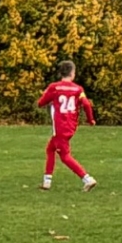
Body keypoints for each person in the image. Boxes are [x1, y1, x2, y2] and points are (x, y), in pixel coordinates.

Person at [36, 60, 97, 191]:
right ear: (72, 73)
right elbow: (86, 104)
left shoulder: (54, 87)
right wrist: (90, 120)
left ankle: (87, 179)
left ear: (60, 73)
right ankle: (47, 181)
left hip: (60, 127)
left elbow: (40, 103)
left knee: (65, 156)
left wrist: (47, 98)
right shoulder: (78, 89)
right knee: (50, 149)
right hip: (70, 125)